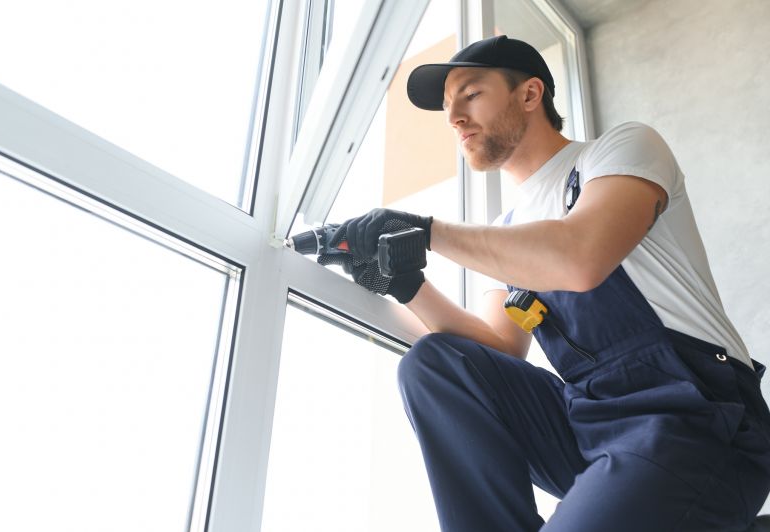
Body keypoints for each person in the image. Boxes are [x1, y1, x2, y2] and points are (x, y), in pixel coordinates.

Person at [320, 35, 770, 531]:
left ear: (530, 94)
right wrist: (406, 286)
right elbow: (497, 348)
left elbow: (581, 255)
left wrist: (426, 232)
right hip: (592, 424)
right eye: (448, 108)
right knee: (433, 365)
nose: (454, 119)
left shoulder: (619, 152)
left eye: (471, 95)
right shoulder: (509, 228)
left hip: (696, 418)